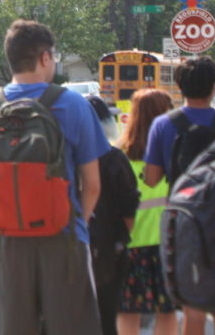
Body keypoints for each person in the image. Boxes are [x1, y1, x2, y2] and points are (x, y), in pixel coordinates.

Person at [0, 19, 109, 335]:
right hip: (65, 238)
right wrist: (72, 219)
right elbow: (93, 185)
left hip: (9, 241)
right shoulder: (73, 105)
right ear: (44, 57)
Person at [143, 56, 215, 335]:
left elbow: (152, 179)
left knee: (192, 303)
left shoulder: (162, 124)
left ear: (180, 85)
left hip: (182, 221)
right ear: (214, 87)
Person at [115, 89, 177, 335]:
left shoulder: (119, 156)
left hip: (129, 244)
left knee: (129, 311)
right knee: (167, 310)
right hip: (167, 244)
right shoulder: (172, 155)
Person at [85, 95, 140, 335]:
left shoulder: (62, 157)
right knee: (108, 316)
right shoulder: (114, 158)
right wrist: (121, 239)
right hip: (109, 250)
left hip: (66, 248)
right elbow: (130, 206)